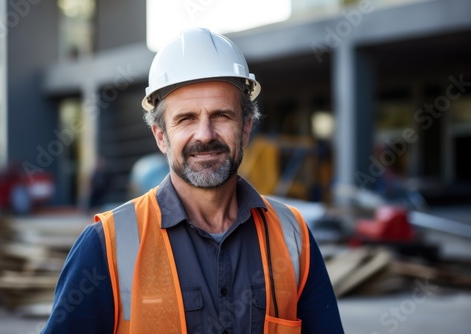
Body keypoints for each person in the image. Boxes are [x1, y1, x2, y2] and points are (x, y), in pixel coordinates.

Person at [41, 27, 344, 334]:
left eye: (222, 115)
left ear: (246, 128)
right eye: (186, 119)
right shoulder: (105, 245)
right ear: (161, 137)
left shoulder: (293, 237)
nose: (205, 134)